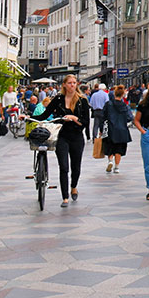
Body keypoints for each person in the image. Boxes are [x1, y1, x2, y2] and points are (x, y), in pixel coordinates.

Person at [41, 74, 90, 208]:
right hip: (62, 136)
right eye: (69, 83)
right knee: (63, 167)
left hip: (77, 137)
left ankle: (74, 186)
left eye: (74, 83)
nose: (72, 85)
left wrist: (74, 118)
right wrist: (28, 116)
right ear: (64, 85)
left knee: (76, 167)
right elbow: (45, 115)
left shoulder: (82, 100)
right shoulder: (58, 99)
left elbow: (85, 122)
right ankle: (65, 197)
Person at [103, 85, 132, 174]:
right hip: (122, 130)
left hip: (111, 129)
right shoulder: (125, 106)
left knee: (110, 147)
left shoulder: (108, 104)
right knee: (119, 149)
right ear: (123, 94)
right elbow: (129, 117)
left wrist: (101, 130)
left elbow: (103, 116)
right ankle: (117, 167)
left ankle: (110, 160)